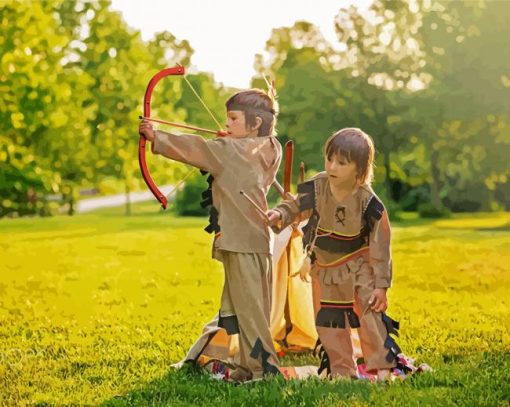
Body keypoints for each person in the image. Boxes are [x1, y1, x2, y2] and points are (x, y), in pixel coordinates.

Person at [139, 89, 281, 382]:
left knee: (251, 311)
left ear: (255, 124)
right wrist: (237, 138)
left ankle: (265, 371)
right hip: (253, 240)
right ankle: (247, 364)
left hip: (243, 242)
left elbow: (197, 148)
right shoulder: (269, 147)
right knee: (246, 307)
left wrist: (156, 136)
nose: (226, 124)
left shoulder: (229, 151)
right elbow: (242, 149)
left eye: (233, 118)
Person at [267, 128, 401, 380]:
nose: (332, 166)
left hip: (361, 265)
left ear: (360, 169)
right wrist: (280, 214)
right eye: (330, 159)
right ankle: (342, 370)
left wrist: (381, 286)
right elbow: (295, 206)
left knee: (370, 316)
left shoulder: (369, 202)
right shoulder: (318, 185)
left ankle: (382, 367)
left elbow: (381, 246)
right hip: (325, 268)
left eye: (342, 162)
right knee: (330, 322)